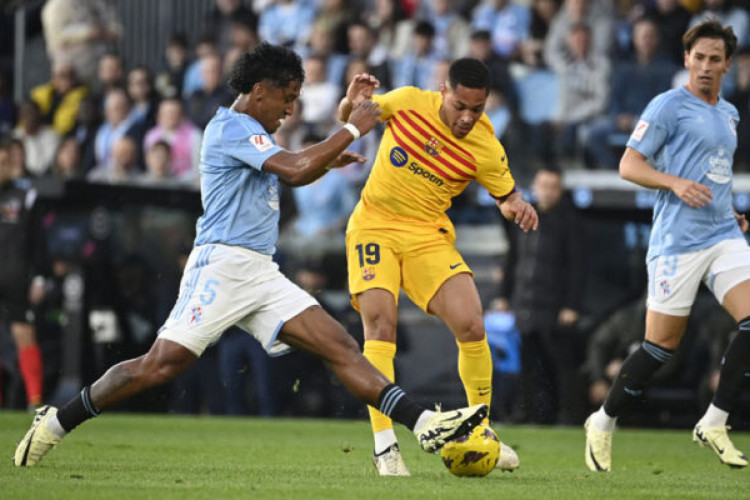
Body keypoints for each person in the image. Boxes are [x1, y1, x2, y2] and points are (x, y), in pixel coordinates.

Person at [14, 43, 488, 468]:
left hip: (260, 271)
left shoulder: (251, 131)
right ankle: (57, 421)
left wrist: (328, 157)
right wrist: (348, 130)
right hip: (220, 266)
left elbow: (297, 173)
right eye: (287, 98)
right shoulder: (229, 128)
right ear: (261, 90)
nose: (289, 109)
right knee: (159, 365)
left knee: (340, 346)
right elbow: (296, 165)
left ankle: (424, 423)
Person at [337, 57, 538, 476]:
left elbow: (506, 194)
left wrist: (516, 205)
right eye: (460, 106)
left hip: (427, 234)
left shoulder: (485, 144)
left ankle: (481, 431)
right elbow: (352, 118)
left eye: (476, 110)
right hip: (374, 224)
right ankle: (385, 447)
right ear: (443, 91)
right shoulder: (409, 101)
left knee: (472, 325)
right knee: (381, 326)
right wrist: (349, 103)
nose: (467, 118)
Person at [584, 20, 750, 472]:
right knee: (659, 348)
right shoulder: (668, 106)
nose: (706, 67)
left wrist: (730, 208)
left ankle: (715, 421)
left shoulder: (729, 113)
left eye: (715, 59)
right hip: (678, 242)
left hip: (722, 236)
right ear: (686, 60)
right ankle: (602, 421)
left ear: (727, 65)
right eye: (699, 58)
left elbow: (713, 169)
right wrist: (674, 182)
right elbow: (628, 164)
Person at [496, 165, 586, 425]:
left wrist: (572, 305)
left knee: (561, 364)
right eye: (543, 186)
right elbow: (513, 258)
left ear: (560, 190)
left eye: (553, 187)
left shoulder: (571, 221)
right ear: (534, 187)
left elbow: (578, 267)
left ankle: (569, 415)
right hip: (526, 302)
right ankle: (530, 414)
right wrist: (505, 295)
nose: (547, 192)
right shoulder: (523, 216)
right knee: (528, 364)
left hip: (555, 305)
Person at [0, 141, 43, 409]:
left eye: (7, 162)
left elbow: (38, 241)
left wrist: (39, 277)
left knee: (24, 334)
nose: (5, 167)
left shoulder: (24, 196)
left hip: (15, 275)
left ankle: (35, 401)